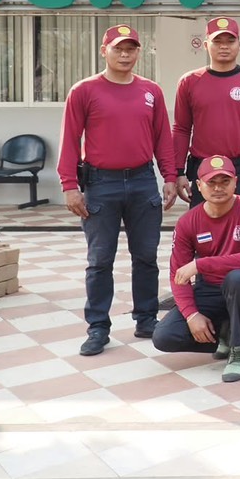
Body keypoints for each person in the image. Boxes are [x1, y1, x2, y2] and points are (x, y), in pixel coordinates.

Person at [58, 24, 179, 356]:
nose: (125, 55)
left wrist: (169, 176)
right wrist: (69, 186)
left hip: (142, 181)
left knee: (146, 256)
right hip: (101, 184)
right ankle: (98, 327)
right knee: (100, 260)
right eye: (118, 49)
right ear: (104, 51)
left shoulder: (151, 91)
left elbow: (162, 138)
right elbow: (70, 140)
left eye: (131, 49)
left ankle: (146, 319)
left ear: (138, 52)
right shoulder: (84, 91)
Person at [151, 155, 240, 383]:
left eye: (225, 181)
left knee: (237, 278)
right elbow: (178, 274)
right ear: (199, 186)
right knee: (164, 336)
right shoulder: (188, 222)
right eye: (211, 182)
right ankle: (224, 332)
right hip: (210, 289)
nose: (218, 188)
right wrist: (192, 315)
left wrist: (200, 264)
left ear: (235, 182)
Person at [171, 16, 240, 204]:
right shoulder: (189, 81)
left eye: (230, 41)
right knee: (203, 223)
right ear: (205, 45)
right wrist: (178, 172)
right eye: (217, 41)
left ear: (239, 45)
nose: (224, 46)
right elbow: (181, 129)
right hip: (204, 169)